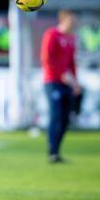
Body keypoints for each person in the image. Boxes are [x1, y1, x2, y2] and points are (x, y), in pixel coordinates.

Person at [40, 9, 81, 164]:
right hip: (52, 82)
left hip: (67, 83)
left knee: (65, 119)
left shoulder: (71, 39)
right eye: (72, 20)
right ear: (63, 20)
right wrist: (61, 74)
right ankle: (52, 151)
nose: (74, 23)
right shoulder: (51, 34)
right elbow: (46, 58)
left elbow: (71, 63)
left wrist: (75, 82)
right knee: (55, 114)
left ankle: (57, 151)